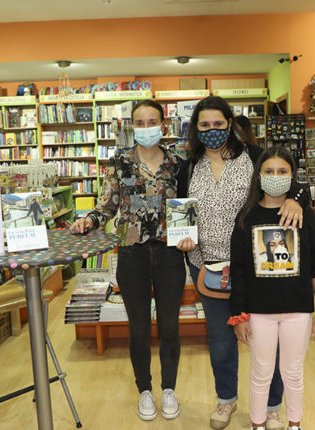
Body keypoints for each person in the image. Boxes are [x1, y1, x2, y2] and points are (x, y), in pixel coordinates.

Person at [176, 96, 307, 430]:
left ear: (230, 123)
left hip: (259, 265)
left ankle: (273, 407)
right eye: (204, 125)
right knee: (221, 339)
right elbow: (180, 209)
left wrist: (296, 200)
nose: (212, 130)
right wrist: (183, 237)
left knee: (270, 339)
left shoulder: (252, 156)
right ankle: (226, 400)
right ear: (195, 128)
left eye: (218, 123)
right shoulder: (188, 166)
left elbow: (289, 180)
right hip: (207, 265)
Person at [69, 100, 185, 422]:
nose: (146, 127)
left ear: (163, 124)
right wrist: (88, 220)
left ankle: (169, 388)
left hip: (170, 253)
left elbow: (188, 206)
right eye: (140, 122)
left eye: (152, 121)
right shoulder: (119, 161)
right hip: (131, 251)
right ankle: (145, 389)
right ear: (132, 126)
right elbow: (107, 206)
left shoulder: (177, 162)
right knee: (138, 328)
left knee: (169, 326)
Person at [229, 146, 315, 430]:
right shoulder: (246, 218)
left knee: (292, 372)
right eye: (269, 171)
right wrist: (239, 315)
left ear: (292, 176)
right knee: (261, 372)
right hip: (259, 312)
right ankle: (257, 425)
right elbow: (239, 271)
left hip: (298, 309)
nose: (275, 176)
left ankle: (295, 424)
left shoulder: (304, 215)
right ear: (258, 176)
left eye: (282, 171)